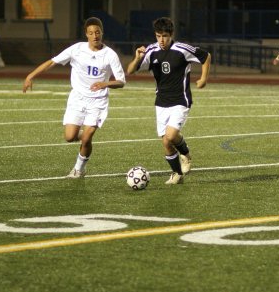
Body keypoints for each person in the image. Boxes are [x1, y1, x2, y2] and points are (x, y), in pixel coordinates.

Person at [22, 17, 125, 177]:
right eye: (91, 33)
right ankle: (83, 135)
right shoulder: (77, 49)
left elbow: (121, 82)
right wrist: (30, 76)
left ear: (102, 33)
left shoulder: (110, 55)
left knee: (87, 138)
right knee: (70, 137)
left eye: (97, 32)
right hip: (77, 99)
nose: (94, 36)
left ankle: (79, 169)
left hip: (97, 102)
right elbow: (51, 62)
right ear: (86, 34)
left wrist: (105, 84)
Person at [126, 16, 211, 185]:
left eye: (165, 36)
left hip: (181, 99)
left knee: (169, 137)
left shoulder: (182, 49)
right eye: (158, 36)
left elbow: (206, 56)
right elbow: (130, 71)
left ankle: (185, 156)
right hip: (161, 102)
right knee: (167, 142)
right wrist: (136, 58)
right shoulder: (151, 51)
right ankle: (177, 173)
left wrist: (203, 78)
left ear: (171, 34)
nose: (161, 40)